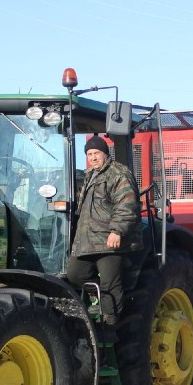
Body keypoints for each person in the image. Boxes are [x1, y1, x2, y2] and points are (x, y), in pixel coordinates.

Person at [66, 134, 143, 329]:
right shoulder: (90, 175)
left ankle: (111, 324)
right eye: (89, 154)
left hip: (110, 241)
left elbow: (127, 204)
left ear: (105, 154)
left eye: (96, 153)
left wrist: (116, 231)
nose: (92, 157)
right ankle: (98, 300)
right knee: (75, 274)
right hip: (88, 240)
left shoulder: (118, 173)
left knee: (110, 283)